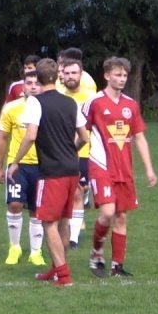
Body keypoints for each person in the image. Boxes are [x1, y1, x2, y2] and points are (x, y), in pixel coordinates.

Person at [8, 58, 90, 287]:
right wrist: (70, 152)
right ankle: (56, 269)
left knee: (47, 222)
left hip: (51, 171)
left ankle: (63, 275)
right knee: (63, 221)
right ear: (57, 76)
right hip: (72, 169)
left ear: (38, 77)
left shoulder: (35, 102)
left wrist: (16, 161)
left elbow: (31, 135)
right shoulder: (70, 103)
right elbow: (84, 137)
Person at [86, 57, 158, 278]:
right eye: (117, 75)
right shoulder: (95, 102)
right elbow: (81, 132)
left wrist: (149, 169)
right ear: (107, 76)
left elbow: (139, 138)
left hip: (124, 169)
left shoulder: (130, 105)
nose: (122, 79)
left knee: (121, 216)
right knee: (107, 212)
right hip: (100, 165)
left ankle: (117, 266)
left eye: (124, 75)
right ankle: (97, 252)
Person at [0, 70, 46, 266]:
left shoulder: (46, 108)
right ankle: (14, 247)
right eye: (29, 83)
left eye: (37, 83)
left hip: (42, 165)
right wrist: (0, 167)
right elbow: (1, 136)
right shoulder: (11, 108)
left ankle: (36, 251)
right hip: (18, 166)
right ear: (22, 86)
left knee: (37, 209)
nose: (33, 86)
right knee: (15, 204)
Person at [57, 52, 96, 249]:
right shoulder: (58, 96)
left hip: (84, 152)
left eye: (75, 72)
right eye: (67, 72)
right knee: (62, 194)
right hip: (60, 153)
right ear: (61, 74)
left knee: (79, 193)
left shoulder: (91, 98)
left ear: (81, 74)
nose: (71, 76)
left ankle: (73, 238)